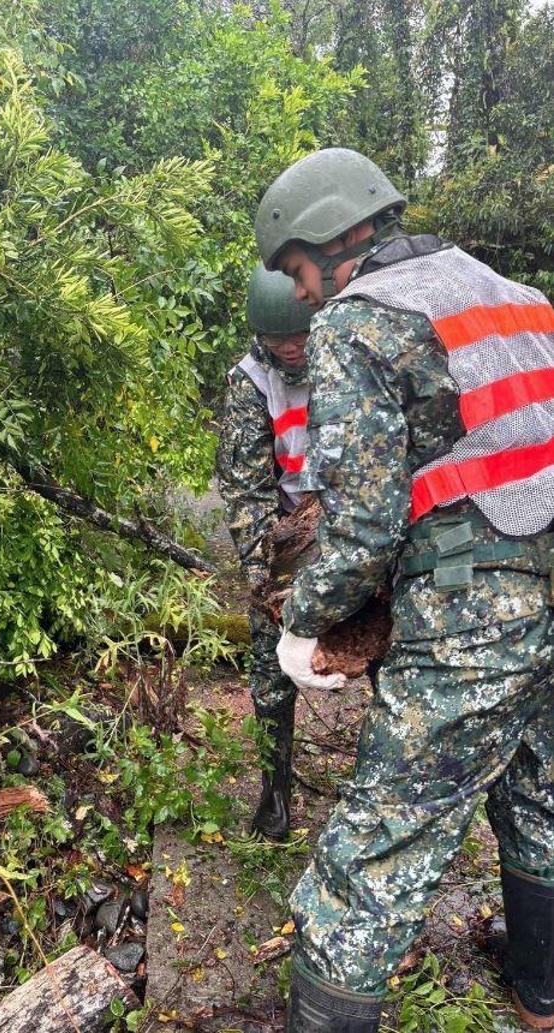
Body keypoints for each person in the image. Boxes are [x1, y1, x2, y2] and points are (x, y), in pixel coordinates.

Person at [254, 147, 554, 1032]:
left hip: (477, 609)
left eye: (298, 271)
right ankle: (542, 993)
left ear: (333, 236)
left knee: (376, 848)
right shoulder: (519, 298)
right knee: (542, 790)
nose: (303, 295)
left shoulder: (362, 320)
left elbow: (362, 526)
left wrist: (301, 625)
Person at [217, 263, 344, 842]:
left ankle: (378, 782)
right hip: (288, 530)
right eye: (279, 339)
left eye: (301, 335)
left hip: (356, 521)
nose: (293, 349)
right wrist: (266, 583)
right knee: (271, 670)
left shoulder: (347, 352)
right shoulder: (249, 383)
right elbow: (244, 492)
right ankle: (275, 792)